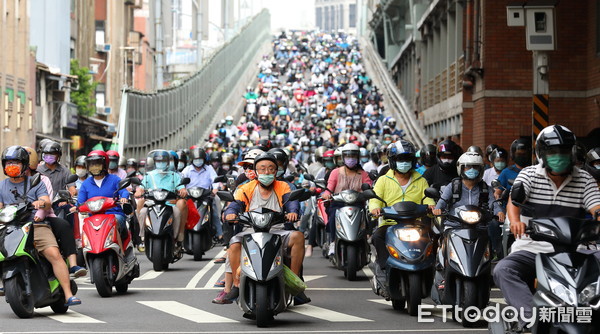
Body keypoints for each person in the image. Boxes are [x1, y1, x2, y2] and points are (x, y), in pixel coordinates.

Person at [493, 125, 600, 331]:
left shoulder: (584, 179)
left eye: (563, 152)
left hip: (576, 250)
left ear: (572, 153)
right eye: (553, 152)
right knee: (503, 270)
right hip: (533, 248)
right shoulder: (529, 175)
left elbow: (595, 205)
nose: (558, 156)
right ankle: (529, 317)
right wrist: (515, 221)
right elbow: (514, 203)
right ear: (542, 153)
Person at [223, 153, 310, 305]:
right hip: (251, 231)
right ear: (256, 172)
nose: (266, 172)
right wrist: (230, 213)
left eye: (271, 169)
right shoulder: (245, 188)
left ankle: (295, 285)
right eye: (262, 169)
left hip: (277, 230)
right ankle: (237, 285)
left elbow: (291, 202)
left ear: (276, 171)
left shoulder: (284, 186)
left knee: (298, 237)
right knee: (234, 242)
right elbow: (236, 204)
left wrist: (292, 212)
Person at [0, 146, 81, 306]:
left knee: (53, 253)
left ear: (24, 164)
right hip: (10, 228)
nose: (11, 165)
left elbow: (47, 201)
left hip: (35, 225)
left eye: (15, 162)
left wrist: (41, 203)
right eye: (8, 162)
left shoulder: (35, 182)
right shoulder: (2, 185)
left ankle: (67, 294)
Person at [369, 140, 435, 273]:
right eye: (400, 159)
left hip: (416, 224)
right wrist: (375, 209)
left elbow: (427, 197)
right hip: (390, 223)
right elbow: (375, 199)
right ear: (393, 161)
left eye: (407, 159)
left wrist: (432, 206)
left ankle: (432, 269)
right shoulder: (383, 180)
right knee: (377, 237)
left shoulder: (421, 180)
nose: (404, 162)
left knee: (433, 237)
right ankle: (384, 268)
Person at [24, 147, 87, 278]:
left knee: (65, 224)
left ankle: (73, 264)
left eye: (19, 162)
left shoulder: (44, 177)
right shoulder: (8, 183)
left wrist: (39, 214)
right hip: (20, 218)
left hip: (49, 209)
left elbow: (47, 199)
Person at [322, 143, 372, 255]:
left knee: (366, 217)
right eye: (348, 156)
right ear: (343, 157)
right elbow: (329, 188)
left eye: (353, 156)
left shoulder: (363, 174)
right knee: (333, 216)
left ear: (358, 158)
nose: (351, 159)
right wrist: (327, 194)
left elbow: (368, 186)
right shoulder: (335, 172)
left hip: (357, 204)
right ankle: (333, 242)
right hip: (339, 204)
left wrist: (368, 192)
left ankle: (365, 240)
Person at [135, 150, 188, 252]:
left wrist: (182, 190)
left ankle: (177, 236)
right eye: (158, 161)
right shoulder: (149, 176)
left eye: (163, 161)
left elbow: (181, 187)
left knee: (178, 211)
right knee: (142, 210)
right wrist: (139, 191)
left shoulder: (174, 175)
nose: (161, 163)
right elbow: (141, 187)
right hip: (152, 203)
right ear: (155, 162)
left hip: (169, 204)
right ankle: (142, 235)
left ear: (168, 162)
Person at [77, 150, 130, 243]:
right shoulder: (86, 183)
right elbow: (80, 202)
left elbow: (124, 191)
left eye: (97, 164)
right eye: (91, 165)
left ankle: (120, 252)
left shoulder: (115, 179)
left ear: (105, 164)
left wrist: (124, 197)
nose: (94, 167)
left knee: (113, 224)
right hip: (92, 218)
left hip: (114, 215)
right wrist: (76, 207)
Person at [181, 147, 222, 243]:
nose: (198, 161)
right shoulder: (187, 169)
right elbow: (181, 180)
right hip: (190, 196)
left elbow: (215, 179)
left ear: (204, 159)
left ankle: (220, 234)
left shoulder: (209, 169)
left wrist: (215, 189)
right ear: (192, 160)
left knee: (214, 211)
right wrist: (182, 189)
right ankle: (181, 236)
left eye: (200, 159)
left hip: (206, 196)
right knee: (182, 213)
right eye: (196, 159)